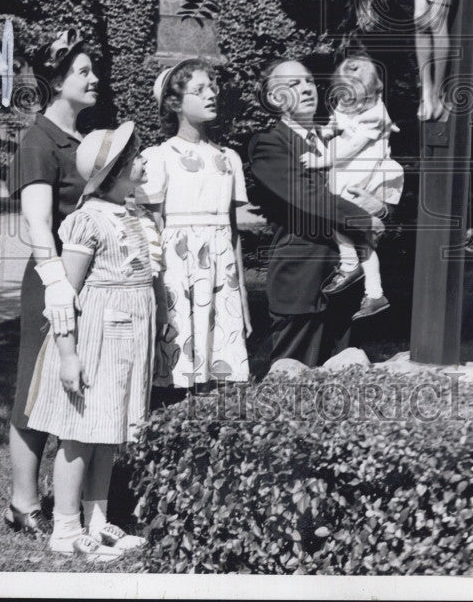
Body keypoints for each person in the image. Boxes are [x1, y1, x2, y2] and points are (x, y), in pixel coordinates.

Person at [26, 122, 166, 562]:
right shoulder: (86, 222)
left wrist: (159, 329)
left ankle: (97, 520)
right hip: (94, 341)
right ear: (117, 171)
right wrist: (68, 356)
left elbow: (150, 282)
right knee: (79, 433)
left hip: (128, 340)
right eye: (137, 158)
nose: (144, 162)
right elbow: (64, 296)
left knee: (110, 431)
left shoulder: (135, 216)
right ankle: (65, 528)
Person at [4, 29, 99, 536]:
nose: (94, 79)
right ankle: (23, 502)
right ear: (57, 81)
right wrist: (57, 282)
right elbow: (36, 223)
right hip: (52, 278)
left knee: (70, 382)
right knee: (34, 385)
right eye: (83, 71)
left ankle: (67, 491)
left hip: (88, 278)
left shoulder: (85, 140)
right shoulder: (40, 140)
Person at [248, 58, 386, 367]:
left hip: (349, 287)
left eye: (309, 81)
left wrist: (381, 206)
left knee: (347, 383)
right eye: (294, 84)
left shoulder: (340, 138)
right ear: (275, 98)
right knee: (292, 384)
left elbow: (375, 176)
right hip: (302, 285)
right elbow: (307, 195)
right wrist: (364, 219)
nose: (307, 88)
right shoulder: (269, 145)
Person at [137, 59, 251, 392]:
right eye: (198, 90)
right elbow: (149, 226)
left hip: (221, 268)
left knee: (219, 364)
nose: (211, 95)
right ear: (174, 103)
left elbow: (233, 230)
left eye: (212, 88)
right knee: (179, 357)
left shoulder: (228, 158)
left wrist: (241, 290)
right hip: (178, 269)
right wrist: (156, 291)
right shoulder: (160, 156)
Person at [299, 56, 404, 321]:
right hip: (347, 170)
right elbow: (337, 123)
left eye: (356, 100)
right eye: (344, 98)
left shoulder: (376, 115)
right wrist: (325, 131)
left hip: (362, 172)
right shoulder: (350, 102)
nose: (348, 105)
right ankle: (375, 293)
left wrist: (320, 159)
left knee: (337, 213)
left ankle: (349, 264)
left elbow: (351, 148)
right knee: (360, 238)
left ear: (373, 93)